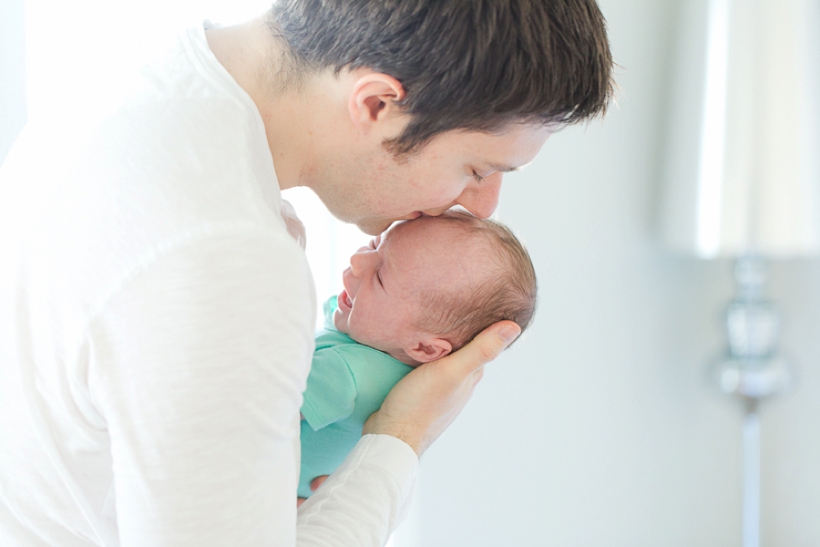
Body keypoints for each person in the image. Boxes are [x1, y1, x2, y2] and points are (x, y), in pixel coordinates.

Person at [0, 1, 613, 545]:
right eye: (477, 169)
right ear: (376, 104)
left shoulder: (134, 83)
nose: (480, 206)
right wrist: (402, 434)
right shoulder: (225, 256)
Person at [298, 211, 537, 501]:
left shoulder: (347, 374)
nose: (358, 261)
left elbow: (254, 404)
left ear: (424, 348)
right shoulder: (375, 336)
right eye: (375, 245)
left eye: (381, 278)